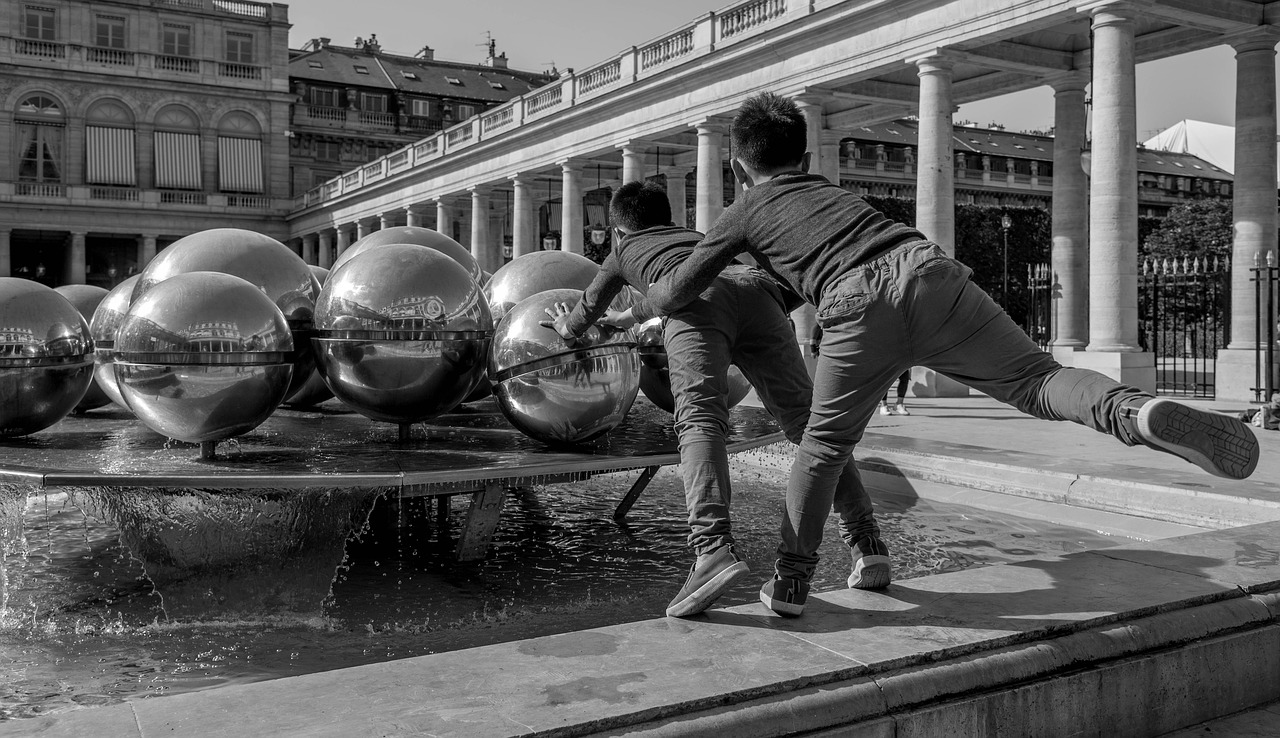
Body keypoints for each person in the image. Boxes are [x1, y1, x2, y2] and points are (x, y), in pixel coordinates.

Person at [634, 91, 1261, 618]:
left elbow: (678, 289)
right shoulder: (832, 195)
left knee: (822, 444)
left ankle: (792, 584)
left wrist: (644, 299)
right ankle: (1136, 413)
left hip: (855, 302)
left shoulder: (744, 208)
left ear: (740, 169)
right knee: (1038, 381)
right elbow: (789, 274)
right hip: (928, 268)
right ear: (804, 155)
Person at [543, 180, 891, 618]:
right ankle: (866, 541)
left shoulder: (622, 251)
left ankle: (711, 549)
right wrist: (627, 318)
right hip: (756, 291)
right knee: (808, 425)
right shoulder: (693, 237)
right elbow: (687, 276)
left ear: (617, 231)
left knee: (700, 420)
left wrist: (567, 328)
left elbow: (588, 307)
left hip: (696, 308)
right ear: (668, 217)